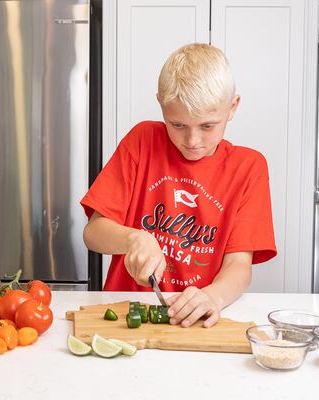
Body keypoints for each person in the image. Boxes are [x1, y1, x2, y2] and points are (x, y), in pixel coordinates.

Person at [80, 43, 276, 328]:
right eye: (178, 125)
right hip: (128, 318)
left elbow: (239, 265)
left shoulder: (249, 167)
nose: (192, 141)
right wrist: (135, 239)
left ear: (232, 107)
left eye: (208, 126)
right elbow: (93, 233)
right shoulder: (142, 141)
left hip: (197, 320)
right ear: (161, 104)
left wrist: (214, 297)